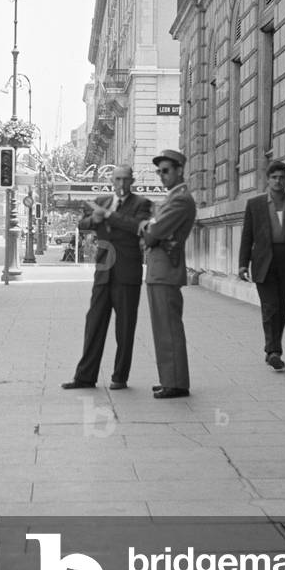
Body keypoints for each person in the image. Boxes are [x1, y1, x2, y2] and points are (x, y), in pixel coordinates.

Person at [61, 165, 153, 391]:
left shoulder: (142, 204)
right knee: (93, 323)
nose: (121, 184)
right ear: (111, 180)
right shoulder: (100, 200)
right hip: (103, 271)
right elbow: (82, 225)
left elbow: (137, 228)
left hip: (127, 273)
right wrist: (95, 218)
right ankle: (84, 377)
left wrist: (110, 215)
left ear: (132, 181)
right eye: (117, 179)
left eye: (125, 180)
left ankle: (119, 378)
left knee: (125, 328)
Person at [237, 159, 285, 371]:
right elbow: (247, 235)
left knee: (281, 308)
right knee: (270, 306)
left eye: (282, 177)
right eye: (274, 177)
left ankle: (274, 348)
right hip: (263, 261)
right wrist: (243, 264)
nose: (278, 181)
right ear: (268, 180)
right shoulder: (255, 204)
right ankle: (273, 351)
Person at [140, 149, 197, 399]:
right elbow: (153, 232)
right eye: (159, 172)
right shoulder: (173, 198)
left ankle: (175, 382)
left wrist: (148, 228)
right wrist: (150, 228)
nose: (161, 176)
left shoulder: (180, 199)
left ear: (179, 171)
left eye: (166, 171)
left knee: (168, 328)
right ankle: (169, 378)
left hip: (165, 270)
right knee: (163, 327)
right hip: (160, 270)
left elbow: (153, 233)